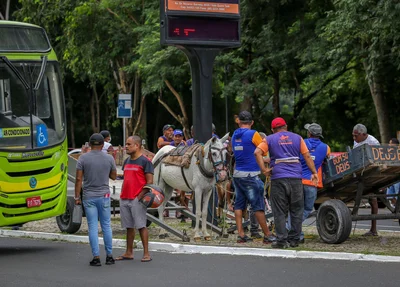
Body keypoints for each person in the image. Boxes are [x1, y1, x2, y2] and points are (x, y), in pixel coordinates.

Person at [255, 117, 318, 249]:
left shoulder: (270, 139)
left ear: (273, 129)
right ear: (286, 126)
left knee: (279, 211)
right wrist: (314, 172)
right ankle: (294, 240)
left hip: (278, 178)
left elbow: (257, 152)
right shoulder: (298, 138)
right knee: (296, 210)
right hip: (296, 178)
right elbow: (306, 156)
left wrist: (264, 170)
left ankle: (281, 240)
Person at [231, 111, 276, 244]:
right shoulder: (253, 134)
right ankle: (267, 235)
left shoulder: (234, 134)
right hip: (251, 175)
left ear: (238, 121)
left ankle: (241, 235)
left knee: (239, 204)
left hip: (237, 174)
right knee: (258, 205)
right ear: (252, 122)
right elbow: (263, 151)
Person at [74, 133, 117, 266]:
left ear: (89, 144)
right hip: (104, 196)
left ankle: (96, 257)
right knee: (106, 226)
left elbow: (79, 179)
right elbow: (114, 176)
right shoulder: (109, 158)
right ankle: (109, 256)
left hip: (89, 196)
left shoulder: (83, 159)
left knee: (92, 226)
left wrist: (77, 197)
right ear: (103, 144)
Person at [287, 123, 331, 243]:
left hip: (297, 180)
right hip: (312, 183)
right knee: (306, 209)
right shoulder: (326, 148)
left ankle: (289, 228)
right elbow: (327, 160)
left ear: (309, 133)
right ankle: (295, 232)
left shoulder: (301, 143)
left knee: (295, 208)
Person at [117, 135, 154, 262]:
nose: (126, 147)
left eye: (128, 144)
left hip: (137, 198)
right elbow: (126, 179)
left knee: (141, 226)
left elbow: (150, 182)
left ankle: (146, 253)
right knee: (129, 227)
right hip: (124, 197)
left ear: (137, 145)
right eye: (126, 144)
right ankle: (129, 252)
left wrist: (139, 196)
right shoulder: (127, 161)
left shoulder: (145, 161)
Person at [352, 123, 380, 236]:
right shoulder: (356, 141)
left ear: (364, 134)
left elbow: (378, 159)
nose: (354, 138)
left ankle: (374, 230)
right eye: (353, 136)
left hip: (370, 174)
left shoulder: (373, 142)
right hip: (360, 173)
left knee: (373, 200)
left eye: (356, 136)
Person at [387, 138, 400, 210]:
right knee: (389, 195)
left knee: (397, 193)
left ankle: (398, 210)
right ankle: (397, 209)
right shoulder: (389, 153)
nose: (389, 145)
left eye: (390, 143)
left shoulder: (398, 152)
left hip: (397, 176)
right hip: (391, 176)